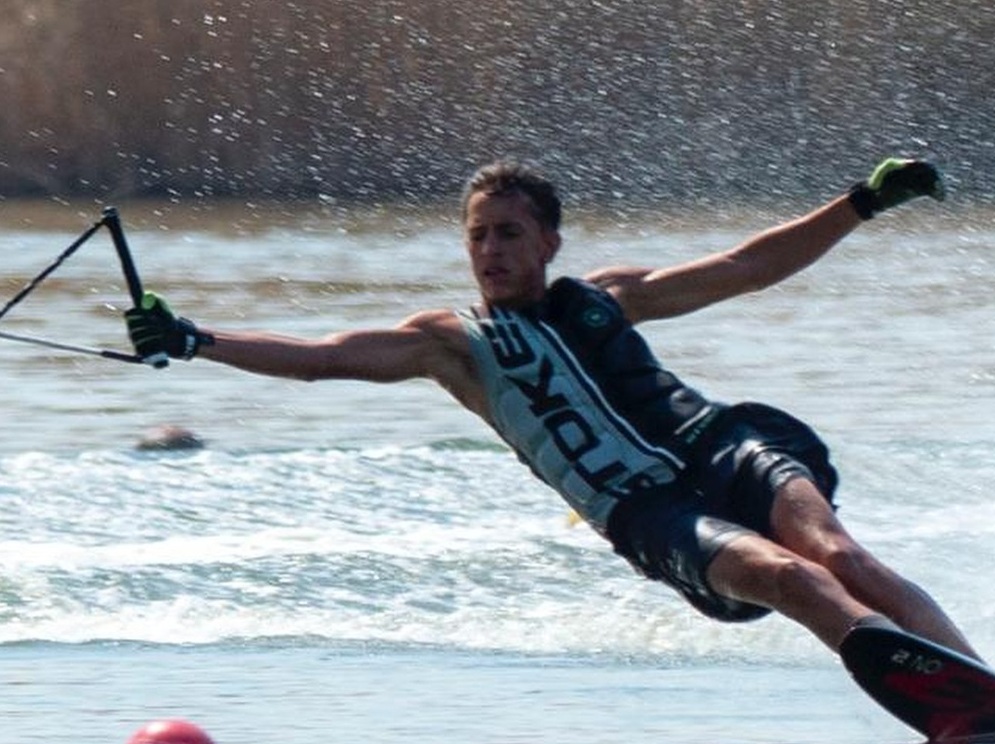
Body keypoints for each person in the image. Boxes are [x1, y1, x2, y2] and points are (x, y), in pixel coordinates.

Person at [125, 157, 981, 661]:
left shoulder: (608, 295)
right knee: (791, 578)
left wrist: (861, 203)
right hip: (650, 511)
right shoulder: (453, 345)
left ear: (548, 242)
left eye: (507, 232)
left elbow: (747, 266)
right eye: (477, 235)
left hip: (721, 444)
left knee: (835, 551)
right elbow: (321, 358)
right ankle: (912, 675)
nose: (489, 250)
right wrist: (197, 337)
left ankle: (971, 680)